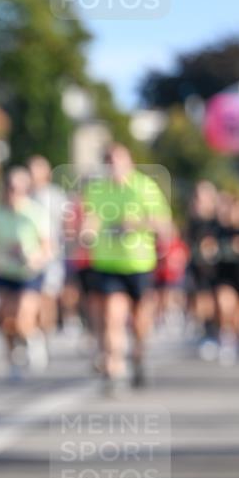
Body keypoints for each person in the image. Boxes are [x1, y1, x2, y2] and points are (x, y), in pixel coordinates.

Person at [81, 144, 171, 392]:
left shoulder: (144, 187)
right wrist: (87, 232)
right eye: (109, 162)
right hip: (108, 263)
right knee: (112, 317)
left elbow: (164, 224)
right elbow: (90, 218)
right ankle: (114, 369)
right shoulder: (97, 190)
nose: (115, 166)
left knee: (141, 323)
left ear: (129, 161)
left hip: (139, 263)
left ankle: (139, 357)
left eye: (119, 161)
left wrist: (135, 224)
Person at [0, 167, 51, 380]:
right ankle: (13, 359)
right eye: (10, 188)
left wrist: (37, 258)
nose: (13, 193)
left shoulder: (34, 213)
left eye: (18, 189)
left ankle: (33, 337)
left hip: (28, 272)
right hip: (3, 271)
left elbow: (47, 246)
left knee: (22, 315)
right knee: (5, 320)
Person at [28, 155, 67, 345]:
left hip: (52, 255)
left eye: (38, 169)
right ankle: (32, 333)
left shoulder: (56, 196)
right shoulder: (24, 195)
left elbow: (67, 222)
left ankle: (46, 332)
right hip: (28, 255)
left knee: (47, 296)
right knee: (31, 297)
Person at [185, 181, 221, 358]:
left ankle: (218, 333)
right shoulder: (193, 220)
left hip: (219, 268)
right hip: (197, 268)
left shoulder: (218, 219)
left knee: (218, 301)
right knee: (200, 301)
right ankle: (207, 332)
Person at [214, 193, 239, 365]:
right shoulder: (220, 230)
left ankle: (237, 336)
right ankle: (226, 338)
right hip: (226, 276)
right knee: (224, 304)